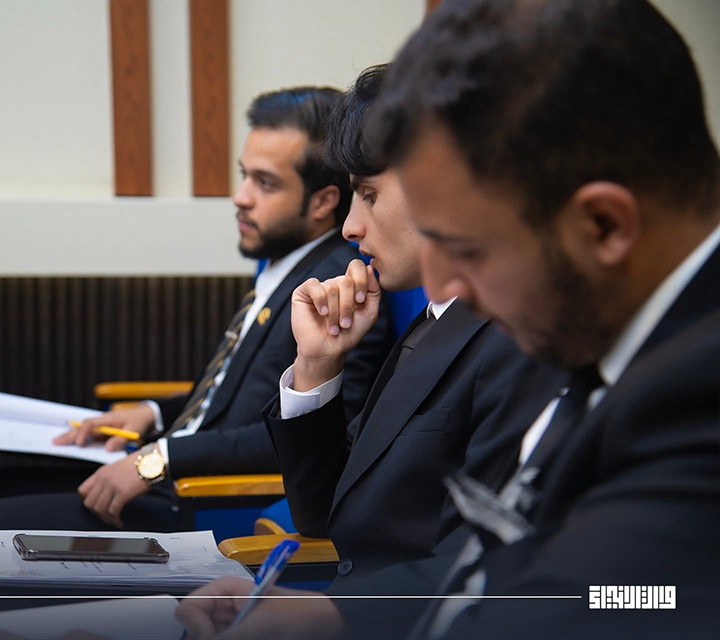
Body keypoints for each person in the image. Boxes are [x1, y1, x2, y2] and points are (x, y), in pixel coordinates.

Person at [175, 1, 720, 638]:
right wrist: (326, 613)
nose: (446, 289)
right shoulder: (614, 332)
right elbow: (520, 561)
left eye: (469, 249)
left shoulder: (687, 385)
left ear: (603, 225)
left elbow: (637, 599)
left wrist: (337, 620)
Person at [0, 86, 394, 607]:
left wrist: (157, 458)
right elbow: (228, 396)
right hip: (175, 472)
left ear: (323, 202)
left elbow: (304, 434)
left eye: (265, 183)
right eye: (244, 175)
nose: (241, 197)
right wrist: (153, 412)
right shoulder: (282, 264)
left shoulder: (334, 291)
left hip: (201, 507)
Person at [262, 64, 563, 589]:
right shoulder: (434, 319)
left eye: (369, 194)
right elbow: (324, 514)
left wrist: (324, 617)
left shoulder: (520, 339)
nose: (350, 227)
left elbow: (480, 571)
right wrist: (316, 364)